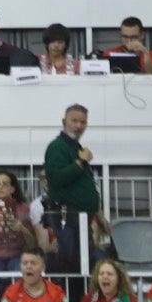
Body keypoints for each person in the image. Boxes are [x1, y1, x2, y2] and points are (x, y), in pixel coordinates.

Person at [43, 104, 100, 274]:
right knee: (70, 265)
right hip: (67, 216)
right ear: (64, 121)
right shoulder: (57, 146)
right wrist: (81, 162)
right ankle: (71, 300)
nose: (78, 126)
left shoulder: (75, 147)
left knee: (83, 264)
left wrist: (96, 211)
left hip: (80, 217)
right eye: (74, 121)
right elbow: (56, 178)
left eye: (83, 122)